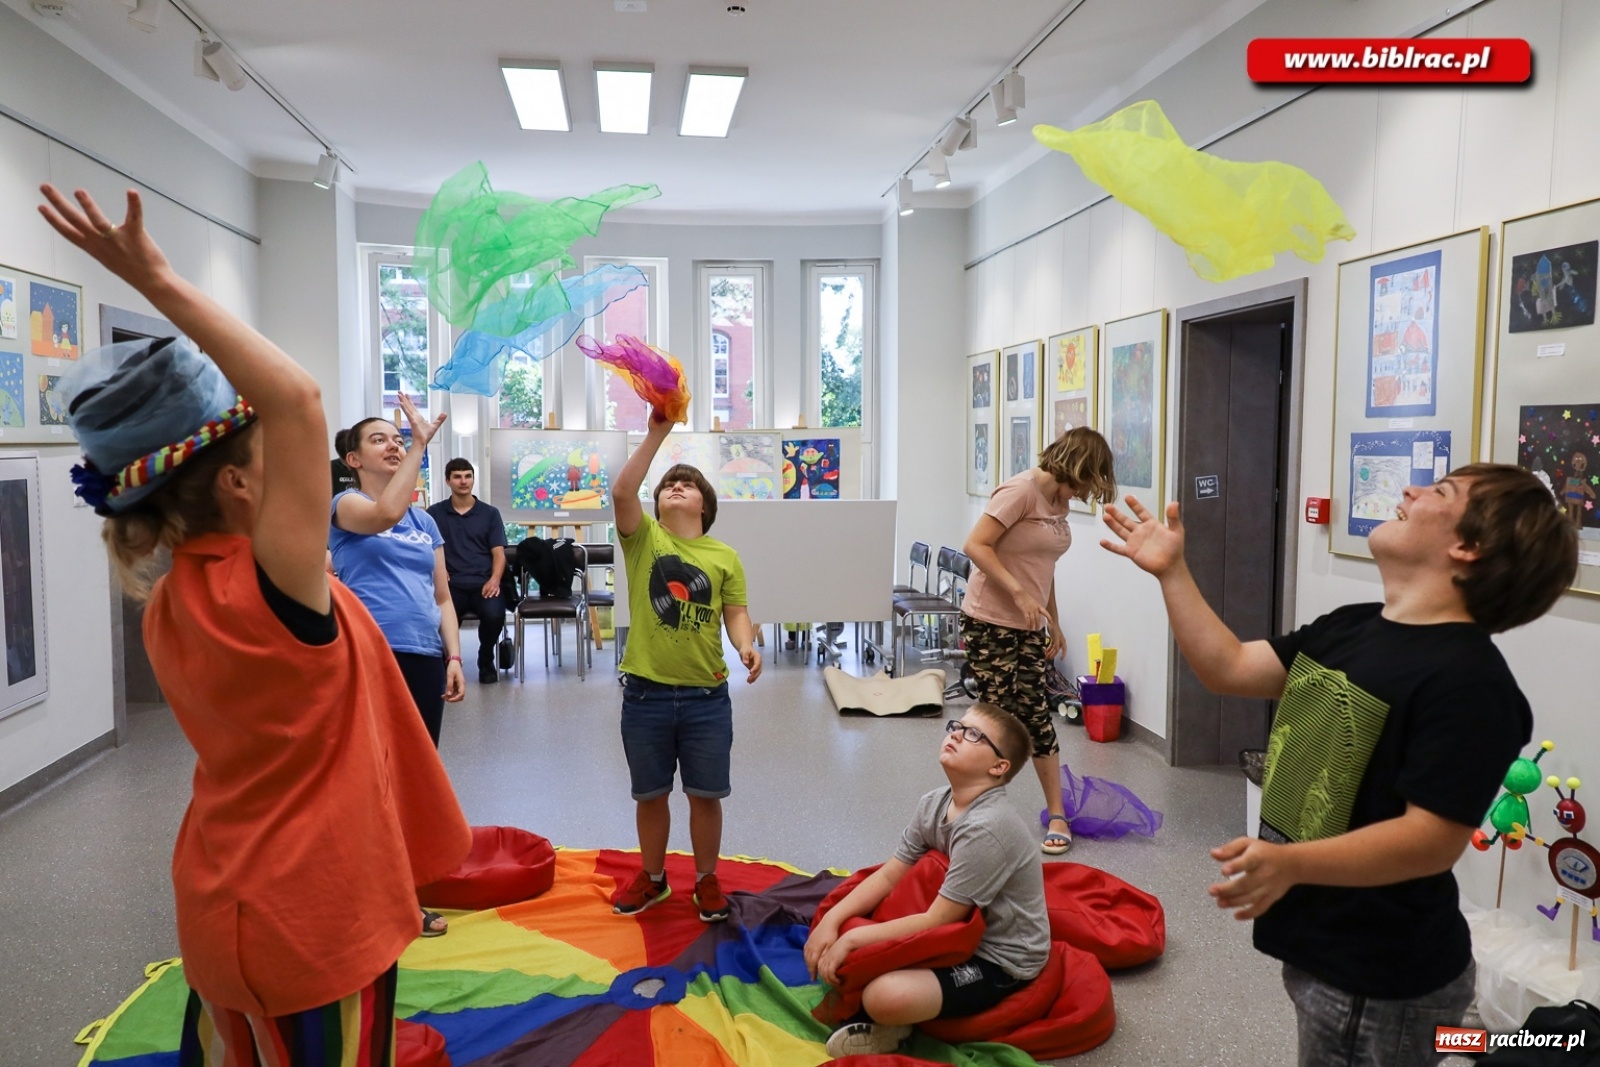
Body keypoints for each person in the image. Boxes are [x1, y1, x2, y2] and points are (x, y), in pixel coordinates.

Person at [41, 184, 471, 1062]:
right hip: (314, 919)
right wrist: (156, 277)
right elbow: (301, 399)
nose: (297, 468)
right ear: (239, 487)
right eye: (273, 461)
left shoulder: (172, 598)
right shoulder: (272, 585)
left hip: (222, 903)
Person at [1099, 465, 1577, 1067]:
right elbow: (1229, 667)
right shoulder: (1353, 625)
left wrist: (1291, 862)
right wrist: (1172, 572)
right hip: (1323, 945)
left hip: (1380, 978)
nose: (1410, 490)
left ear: (1468, 548)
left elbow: (1430, 840)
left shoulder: (1472, 685)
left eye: (1441, 492)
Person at [805, 703, 1050, 1058]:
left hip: (997, 958)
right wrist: (832, 920)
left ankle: (895, 1028)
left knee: (882, 997)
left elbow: (940, 918)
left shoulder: (988, 827)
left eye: (973, 735)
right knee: (834, 929)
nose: (955, 734)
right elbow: (890, 874)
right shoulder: (934, 803)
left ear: (999, 767)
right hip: (954, 933)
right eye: (957, 726)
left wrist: (853, 940)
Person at [609, 412, 761, 923]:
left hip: (706, 698)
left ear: (705, 506)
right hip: (646, 695)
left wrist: (745, 646)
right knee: (650, 796)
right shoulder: (644, 540)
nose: (676, 487)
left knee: (705, 795)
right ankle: (653, 879)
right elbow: (623, 492)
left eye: (687, 485)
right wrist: (657, 433)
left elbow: (736, 613)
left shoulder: (725, 556)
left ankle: (706, 879)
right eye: (669, 484)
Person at [960, 427, 1116, 855]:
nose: (1086, 493)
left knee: (1035, 716)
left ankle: (1057, 812)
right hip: (989, 620)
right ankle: (979, 813)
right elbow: (976, 545)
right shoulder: (1021, 491)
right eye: (1090, 480)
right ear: (1077, 466)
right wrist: (1017, 593)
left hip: (1029, 623)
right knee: (997, 719)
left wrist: (1055, 621)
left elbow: (1041, 566)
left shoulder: (1059, 503)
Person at [331, 402, 465, 750]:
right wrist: (418, 446)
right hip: (370, 653)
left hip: (424, 653)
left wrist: (453, 657)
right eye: (379, 440)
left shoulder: (425, 522)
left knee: (420, 765)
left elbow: (442, 597)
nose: (393, 445)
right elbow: (386, 513)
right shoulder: (346, 505)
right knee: (374, 765)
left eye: (397, 439)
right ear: (354, 460)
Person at [427, 457, 508, 684]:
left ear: (473, 479)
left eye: (468, 476)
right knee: (440, 618)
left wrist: (494, 580)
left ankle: (486, 659)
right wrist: (439, 572)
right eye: (457, 477)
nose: (463, 481)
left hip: (484, 582)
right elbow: (427, 550)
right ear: (448, 481)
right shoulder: (434, 514)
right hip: (451, 585)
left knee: (494, 615)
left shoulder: (490, 513)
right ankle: (449, 661)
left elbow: (499, 554)